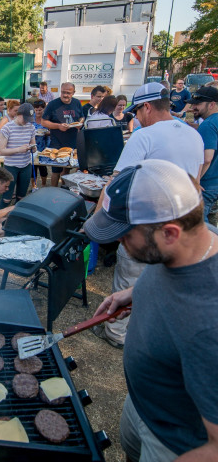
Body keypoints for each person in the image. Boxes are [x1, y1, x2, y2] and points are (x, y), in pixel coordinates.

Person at [75, 160, 218, 462]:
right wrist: (134, 291)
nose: (118, 241)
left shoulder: (209, 326)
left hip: (182, 449)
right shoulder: (194, 243)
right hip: (145, 407)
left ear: (169, 232)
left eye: (125, 234)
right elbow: (173, 277)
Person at [93, 82, 204, 349]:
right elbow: (196, 180)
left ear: (147, 107)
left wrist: (95, 219)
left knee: (129, 275)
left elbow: (116, 183)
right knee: (161, 280)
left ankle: (117, 333)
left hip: (144, 225)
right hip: (181, 224)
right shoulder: (193, 134)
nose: (136, 118)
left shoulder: (144, 136)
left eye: (137, 112)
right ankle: (146, 328)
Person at [42, 82, 84, 186]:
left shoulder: (77, 103)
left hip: (73, 142)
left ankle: (64, 189)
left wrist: (80, 123)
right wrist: (58, 126)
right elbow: (44, 122)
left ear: (73, 93)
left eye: (68, 93)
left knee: (67, 170)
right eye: (63, 92)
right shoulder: (52, 104)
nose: (65, 95)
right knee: (56, 171)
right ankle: (53, 191)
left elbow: (82, 116)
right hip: (57, 144)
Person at [0, 103, 36, 206]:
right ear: (19, 114)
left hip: (26, 166)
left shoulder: (31, 127)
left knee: (21, 197)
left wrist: (33, 148)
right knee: (6, 198)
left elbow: (33, 144)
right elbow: (1, 151)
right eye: (25, 119)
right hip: (11, 167)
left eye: (29, 119)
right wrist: (19, 149)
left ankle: (16, 217)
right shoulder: (7, 128)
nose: (27, 122)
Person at [191, 85, 218, 220]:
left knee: (199, 225)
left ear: (212, 104)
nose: (193, 107)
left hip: (207, 185)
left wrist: (196, 181)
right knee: (212, 222)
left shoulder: (208, 125)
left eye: (198, 104)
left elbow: (207, 158)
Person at [31, 100, 49, 189]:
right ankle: (34, 187)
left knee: (43, 168)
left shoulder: (46, 119)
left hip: (43, 146)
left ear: (44, 109)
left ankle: (43, 185)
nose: (38, 112)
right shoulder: (31, 119)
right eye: (36, 110)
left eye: (40, 110)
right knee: (33, 168)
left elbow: (51, 131)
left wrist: (46, 133)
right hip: (33, 146)